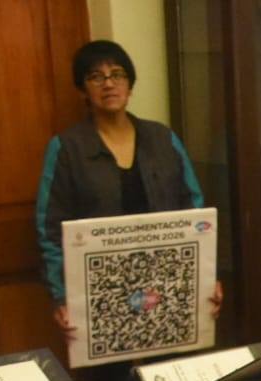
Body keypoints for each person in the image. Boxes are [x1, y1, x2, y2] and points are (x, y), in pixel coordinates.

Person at [34, 39, 220, 344]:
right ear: (83, 89)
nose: (109, 84)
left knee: (171, 378)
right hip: (100, 291)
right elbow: (49, 229)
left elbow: (195, 214)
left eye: (117, 74)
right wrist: (62, 296)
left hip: (167, 285)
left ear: (129, 85)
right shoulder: (66, 149)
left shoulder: (163, 139)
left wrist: (206, 278)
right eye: (96, 77)